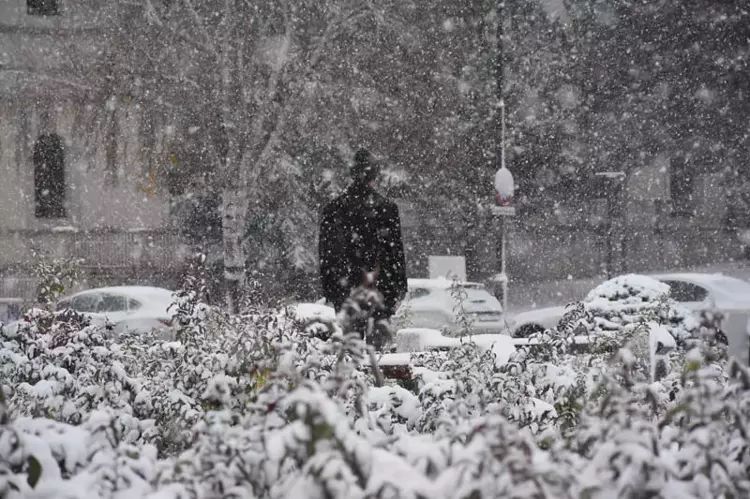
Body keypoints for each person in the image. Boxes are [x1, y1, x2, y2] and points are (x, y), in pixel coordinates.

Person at [319, 148, 407, 337]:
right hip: (379, 289)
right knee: (376, 350)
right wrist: (398, 287)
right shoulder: (387, 209)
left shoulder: (334, 209)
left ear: (352, 174)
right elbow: (395, 253)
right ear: (374, 175)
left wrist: (331, 289)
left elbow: (327, 254)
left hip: (346, 289)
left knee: (352, 347)